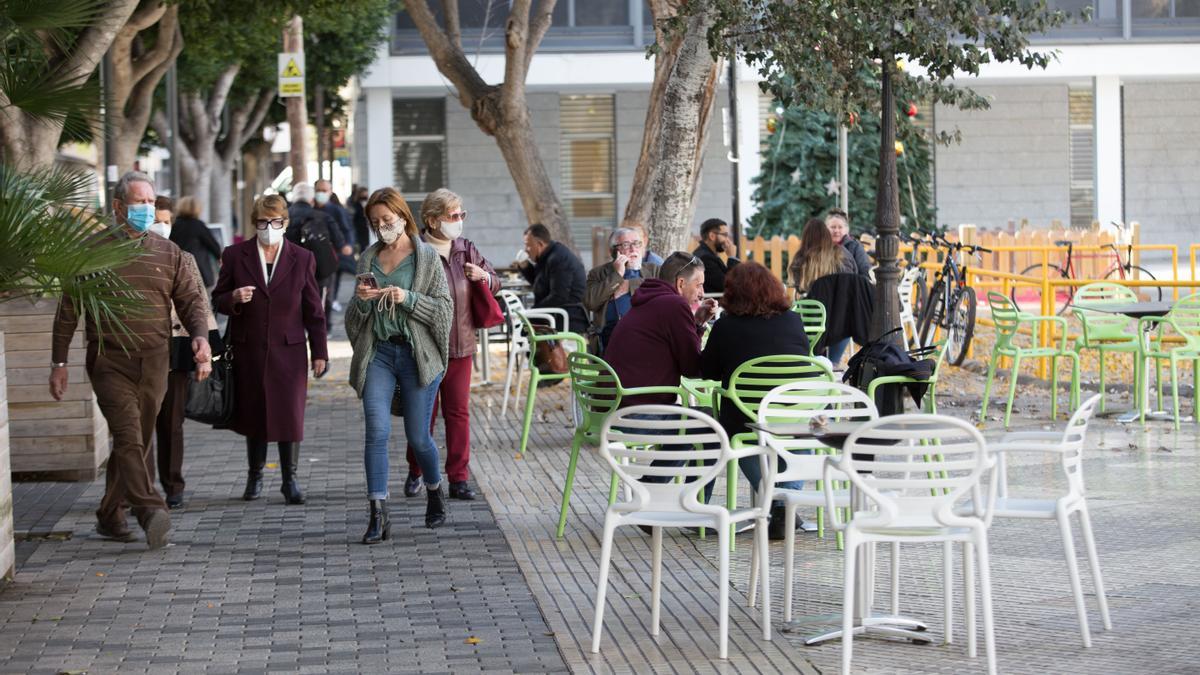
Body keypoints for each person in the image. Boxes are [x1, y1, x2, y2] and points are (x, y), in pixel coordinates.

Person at [50, 171, 212, 550]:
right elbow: (67, 313)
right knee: (127, 436)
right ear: (118, 206)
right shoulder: (90, 252)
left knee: (136, 440)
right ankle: (150, 509)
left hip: (155, 361)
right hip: (109, 360)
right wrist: (59, 365)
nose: (147, 209)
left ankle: (109, 515)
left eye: (151, 203)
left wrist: (201, 337)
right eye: (140, 202)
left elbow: (191, 300)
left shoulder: (169, 253)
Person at [346, 187, 454, 542]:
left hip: (416, 355)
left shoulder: (425, 258)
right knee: (375, 431)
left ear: (403, 217)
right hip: (379, 353)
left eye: (387, 220)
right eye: (376, 223)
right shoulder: (368, 259)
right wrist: (362, 302)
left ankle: (435, 490)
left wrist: (407, 298)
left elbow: (443, 310)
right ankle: (378, 513)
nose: (382, 228)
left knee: (417, 436)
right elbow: (354, 318)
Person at [213, 194, 329, 507]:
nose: (269, 227)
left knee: (290, 414)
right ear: (255, 223)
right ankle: (255, 476)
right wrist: (233, 298)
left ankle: (289, 479)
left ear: (285, 223)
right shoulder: (236, 255)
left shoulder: (301, 257)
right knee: (255, 412)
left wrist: (320, 352)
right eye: (263, 222)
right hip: (248, 348)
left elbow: (314, 310)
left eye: (276, 222)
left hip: (289, 349)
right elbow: (217, 298)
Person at [700, 261, 815, 538]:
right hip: (792, 414)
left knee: (737, 433)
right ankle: (783, 503)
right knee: (806, 436)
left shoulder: (726, 327)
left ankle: (775, 504)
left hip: (746, 418)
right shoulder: (793, 320)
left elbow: (707, 372)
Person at [402, 188, 498, 502]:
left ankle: (458, 478)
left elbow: (494, 281)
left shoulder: (466, 249)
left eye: (461, 215)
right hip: (425, 347)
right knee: (423, 414)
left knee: (457, 413)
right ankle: (417, 471)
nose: (458, 221)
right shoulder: (414, 251)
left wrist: (483, 275)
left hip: (462, 345)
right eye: (452, 216)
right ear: (431, 220)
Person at [150, 197, 221, 510]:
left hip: (176, 344)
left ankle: (173, 485)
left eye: (166, 220)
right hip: (139, 347)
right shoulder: (122, 257)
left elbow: (198, 303)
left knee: (171, 421)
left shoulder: (183, 257)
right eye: (156, 219)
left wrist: (205, 348)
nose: (160, 225)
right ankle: (136, 488)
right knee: (135, 426)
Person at [604, 252, 717, 407]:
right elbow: (691, 368)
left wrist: (697, 323)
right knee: (717, 423)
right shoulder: (674, 305)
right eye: (699, 285)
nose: (702, 293)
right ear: (681, 283)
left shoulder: (647, 299)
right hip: (639, 413)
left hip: (611, 410)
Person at [790, 217, 857, 364]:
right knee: (845, 319)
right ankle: (832, 363)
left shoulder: (800, 257)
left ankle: (814, 362)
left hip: (811, 318)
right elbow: (853, 279)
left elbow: (798, 286)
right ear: (827, 235)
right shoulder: (842, 254)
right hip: (840, 318)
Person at [584, 227, 661, 353]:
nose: (633, 249)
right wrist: (617, 275)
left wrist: (630, 285)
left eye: (637, 243)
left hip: (649, 334)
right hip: (611, 337)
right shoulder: (598, 274)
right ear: (613, 251)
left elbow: (666, 291)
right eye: (626, 245)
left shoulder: (655, 270)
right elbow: (590, 302)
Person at [287, 182, 345, 330]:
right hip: (320, 269)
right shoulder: (323, 217)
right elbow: (339, 242)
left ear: (293, 198)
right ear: (312, 200)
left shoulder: (282, 218)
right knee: (321, 299)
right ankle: (323, 329)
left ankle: (297, 328)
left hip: (290, 268)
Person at [518, 223, 587, 334]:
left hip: (567, 317)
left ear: (540, 244)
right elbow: (540, 284)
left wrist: (533, 311)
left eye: (528, 245)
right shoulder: (547, 256)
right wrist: (525, 267)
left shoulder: (558, 258)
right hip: (555, 313)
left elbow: (559, 296)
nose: (526, 250)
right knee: (524, 328)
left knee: (524, 329)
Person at [315, 179, 356, 312]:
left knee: (331, 284)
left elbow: (347, 229)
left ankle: (330, 308)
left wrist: (348, 244)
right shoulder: (310, 209)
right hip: (314, 254)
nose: (321, 193)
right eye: (318, 190)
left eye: (324, 191)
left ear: (330, 192)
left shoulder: (337, 210)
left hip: (334, 253)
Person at [170, 195, 223, 290]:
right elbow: (214, 246)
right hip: (198, 269)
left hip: (176, 268)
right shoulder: (198, 225)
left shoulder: (173, 224)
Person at [692, 218, 741, 294]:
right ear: (712, 236)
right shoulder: (705, 258)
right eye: (725, 235)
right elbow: (728, 285)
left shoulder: (707, 254)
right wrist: (732, 258)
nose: (727, 240)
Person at [826, 207, 872, 277]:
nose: (836, 231)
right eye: (833, 227)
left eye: (840, 227)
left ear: (846, 229)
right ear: (825, 229)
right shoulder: (821, 247)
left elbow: (866, 272)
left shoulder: (855, 246)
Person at [349, 185, 371, 252]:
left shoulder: (369, 203)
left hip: (367, 228)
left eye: (366, 193)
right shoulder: (354, 204)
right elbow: (353, 216)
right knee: (361, 246)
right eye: (363, 193)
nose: (364, 195)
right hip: (358, 228)